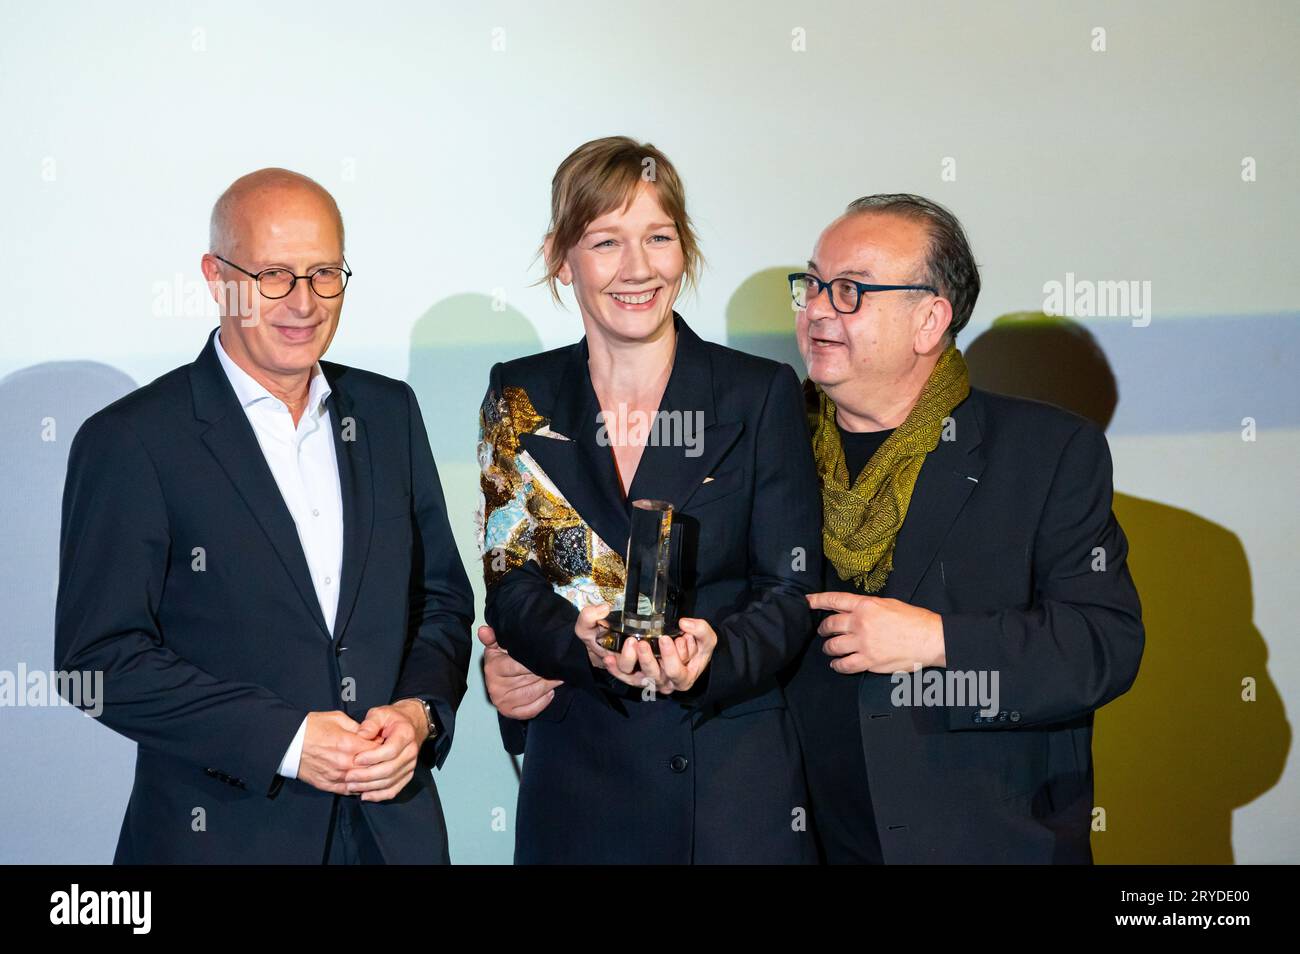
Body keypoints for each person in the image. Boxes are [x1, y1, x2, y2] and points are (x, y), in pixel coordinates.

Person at [486, 192, 1144, 864]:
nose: (819, 309)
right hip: (798, 840)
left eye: (852, 290)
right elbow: (670, 621)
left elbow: (1104, 646)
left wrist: (937, 640)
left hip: (983, 845)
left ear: (930, 319)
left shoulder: (1043, 454)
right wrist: (530, 673)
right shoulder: (757, 436)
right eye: (813, 285)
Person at [54, 168, 473, 864]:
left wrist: (420, 713)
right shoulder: (132, 440)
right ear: (217, 278)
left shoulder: (388, 412)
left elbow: (439, 601)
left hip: (392, 836)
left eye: (324, 273)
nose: (304, 302)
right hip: (221, 837)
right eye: (274, 275)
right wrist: (288, 741)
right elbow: (97, 663)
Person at [476, 136, 821, 863]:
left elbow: (790, 590)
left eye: (658, 237)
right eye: (606, 241)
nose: (638, 268)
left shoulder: (758, 394)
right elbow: (509, 582)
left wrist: (714, 653)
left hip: (729, 783)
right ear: (559, 257)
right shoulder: (521, 395)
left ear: (684, 249)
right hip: (577, 773)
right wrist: (577, 644)